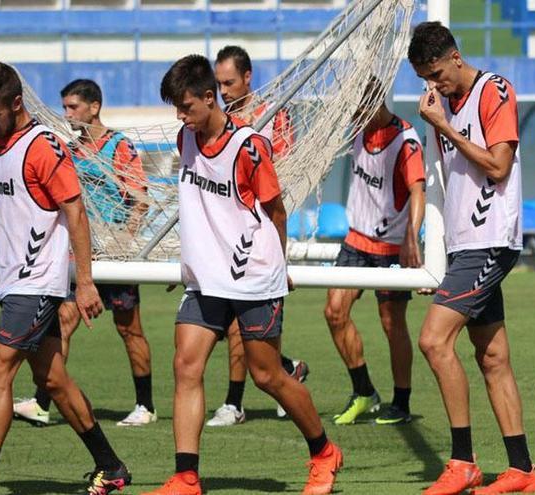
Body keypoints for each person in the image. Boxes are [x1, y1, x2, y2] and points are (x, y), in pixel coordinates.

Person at [142, 54, 342, 495]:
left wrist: (280, 267)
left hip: (253, 274)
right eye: (176, 107)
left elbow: (276, 211)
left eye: (186, 106)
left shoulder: (249, 147)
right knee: (186, 365)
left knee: (267, 376)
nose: (180, 116)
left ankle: (325, 452)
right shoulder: (185, 138)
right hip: (206, 279)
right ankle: (186, 477)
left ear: (210, 98)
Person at [0, 61, 131, 495]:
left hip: (39, 282)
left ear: (16, 103)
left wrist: (84, 282)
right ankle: (112, 465)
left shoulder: (43, 146)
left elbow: (76, 212)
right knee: (53, 380)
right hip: (16, 281)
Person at [409, 21, 535, 495]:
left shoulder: (494, 91)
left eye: (437, 73)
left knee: (432, 341)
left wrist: (443, 125)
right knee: (493, 357)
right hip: (465, 243)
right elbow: (449, 183)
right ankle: (522, 469)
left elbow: (498, 166)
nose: (434, 84)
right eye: (425, 77)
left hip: (492, 239)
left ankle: (463, 460)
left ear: (455, 56)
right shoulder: (440, 104)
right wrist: (437, 256)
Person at [12, 78, 156, 427]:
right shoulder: (72, 151)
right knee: (63, 320)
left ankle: (145, 405)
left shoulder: (119, 146)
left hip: (115, 254)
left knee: (129, 329)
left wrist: (126, 238)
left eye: (73, 107)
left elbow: (139, 199)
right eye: (64, 107)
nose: (68, 114)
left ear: (94, 107)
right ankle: (44, 402)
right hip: (82, 254)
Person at [209, 45, 309, 424]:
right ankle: (286, 371)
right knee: (236, 326)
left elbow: (284, 166)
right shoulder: (216, 120)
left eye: (229, 82)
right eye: (219, 84)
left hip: (261, 226)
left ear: (248, 77)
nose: (224, 91)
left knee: (242, 323)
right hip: (225, 229)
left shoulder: (273, 114)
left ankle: (236, 403)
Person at [322, 79, 425, 426]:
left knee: (392, 323)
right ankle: (363, 390)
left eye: (362, 107)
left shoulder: (405, 141)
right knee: (335, 311)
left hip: (390, 246)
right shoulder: (357, 130)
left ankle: (402, 403)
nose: (357, 115)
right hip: (355, 240)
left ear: (377, 101)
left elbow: (418, 192)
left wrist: (412, 236)